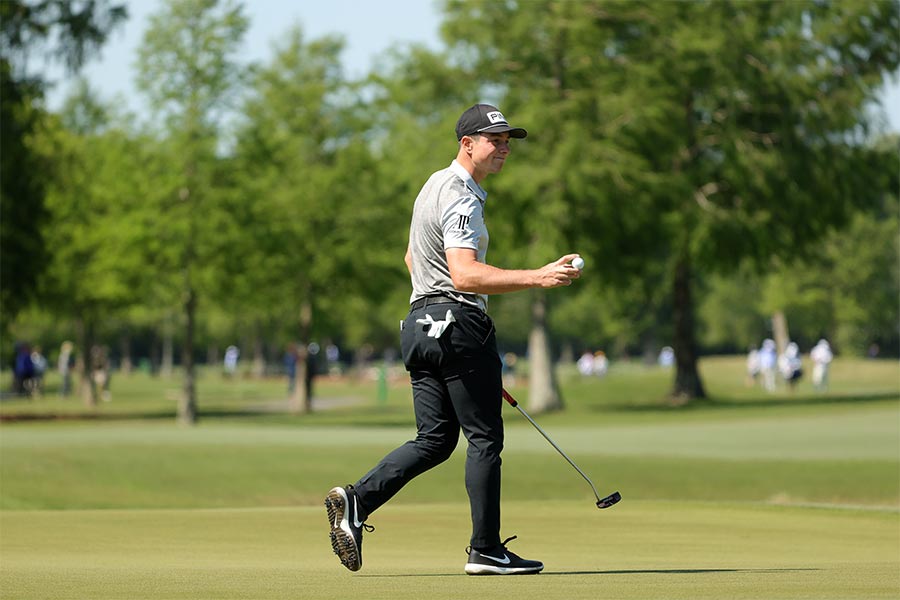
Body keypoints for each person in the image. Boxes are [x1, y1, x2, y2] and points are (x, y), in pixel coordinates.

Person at [325, 103, 580, 576]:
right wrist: (538, 277)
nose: (504, 147)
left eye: (508, 141)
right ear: (467, 144)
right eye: (494, 140)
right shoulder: (462, 195)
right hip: (458, 324)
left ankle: (357, 501)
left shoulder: (431, 186)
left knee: (436, 438)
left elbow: (410, 258)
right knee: (484, 437)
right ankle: (485, 550)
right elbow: (463, 275)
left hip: (419, 327)